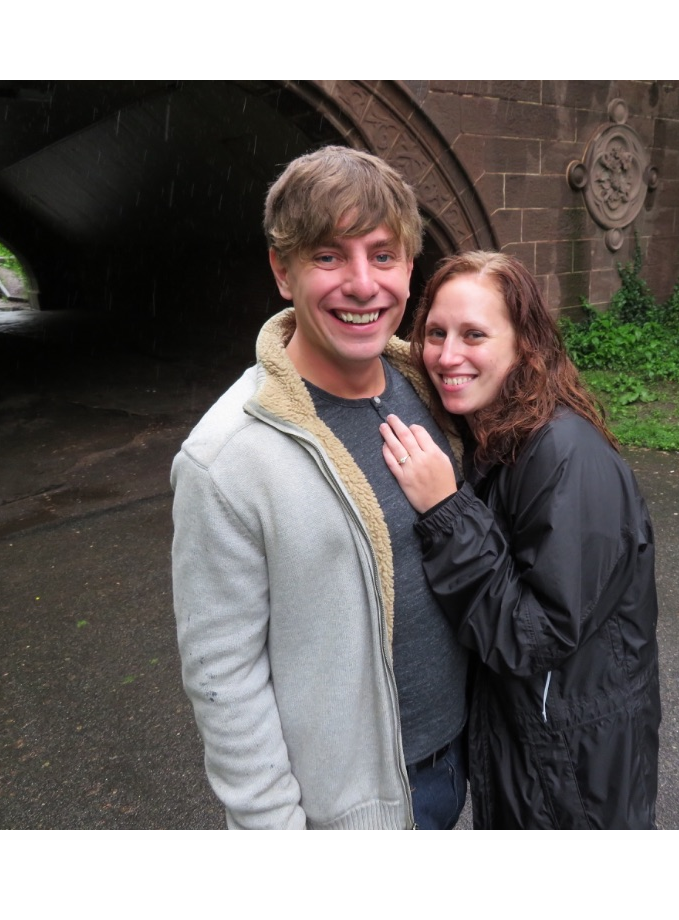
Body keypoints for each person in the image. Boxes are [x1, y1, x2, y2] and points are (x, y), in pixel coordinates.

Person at [170, 146, 469, 830]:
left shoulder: (435, 387)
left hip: (460, 755)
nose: (364, 285)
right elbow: (225, 679)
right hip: (352, 807)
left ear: (408, 268)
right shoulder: (224, 461)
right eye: (329, 257)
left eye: (383, 254)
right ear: (284, 270)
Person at [380, 251, 661, 829]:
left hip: (572, 771)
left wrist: (446, 511)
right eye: (435, 332)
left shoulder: (565, 455)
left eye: (474, 334)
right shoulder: (498, 434)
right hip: (533, 746)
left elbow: (532, 635)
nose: (447, 355)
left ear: (524, 343)